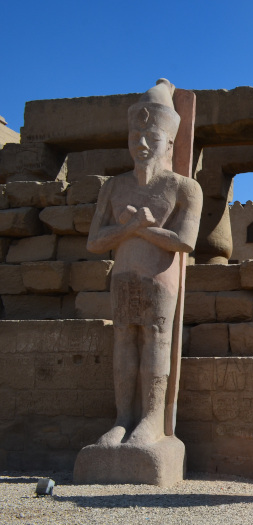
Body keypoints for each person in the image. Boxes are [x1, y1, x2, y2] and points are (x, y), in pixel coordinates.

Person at [87, 78, 202, 447]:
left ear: (168, 142)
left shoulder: (184, 188)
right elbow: (94, 241)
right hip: (123, 276)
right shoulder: (114, 187)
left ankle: (151, 420)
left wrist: (140, 228)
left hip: (160, 279)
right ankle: (123, 419)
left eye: (149, 139)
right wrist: (134, 228)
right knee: (123, 342)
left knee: (154, 340)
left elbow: (184, 241)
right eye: (134, 138)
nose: (140, 145)